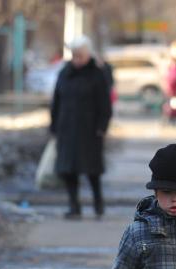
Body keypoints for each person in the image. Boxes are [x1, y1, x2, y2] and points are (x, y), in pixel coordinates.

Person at [50, 35, 112, 219]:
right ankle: (73, 206)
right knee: (68, 170)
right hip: (67, 128)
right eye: (74, 56)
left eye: (80, 56)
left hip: (90, 130)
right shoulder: (64, 73)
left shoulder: (97, 74)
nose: (77, 60)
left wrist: (102, 125)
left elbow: (104, 104)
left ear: (87, 55)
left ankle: (98, 203)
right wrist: (53, 125)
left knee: (92, 170)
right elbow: (56, 101)